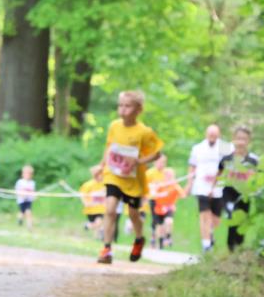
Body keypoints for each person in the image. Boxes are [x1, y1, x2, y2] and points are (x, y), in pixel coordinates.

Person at [97, 90, 163, 264]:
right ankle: (106, 249)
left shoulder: (144, 132)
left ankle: (139, 238)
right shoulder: (114, 126)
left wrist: (139, 161)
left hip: (133, 180)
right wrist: (101, 165)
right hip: (114, 175)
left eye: (127, 106)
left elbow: (157, 154)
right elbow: (109, 148)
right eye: (120, 105)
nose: (123, 110)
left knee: (134, 214)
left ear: (138, 109)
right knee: (110, 209)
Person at [187, 124, 230, 252]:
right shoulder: (198, 148)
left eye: (215, 135)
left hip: (218, 187)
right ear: (206, 134)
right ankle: (206, 244)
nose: (212, 137)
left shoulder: (226, 148)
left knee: (216, 219)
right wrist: (189, 184)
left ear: (219, 135)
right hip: (201, 186)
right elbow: (192, 166)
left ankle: (209, 233)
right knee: (204, 215)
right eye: (210, 134)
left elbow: (228, 168)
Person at [217, 126, 259, 251]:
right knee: (231, 214)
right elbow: (218, 173)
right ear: (233, 139)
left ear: (249, 141)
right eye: (238, 138)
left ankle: (239, 247)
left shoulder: (254, 160)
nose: (241, 142)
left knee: (242, 220)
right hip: (229, 192)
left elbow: (258, 177)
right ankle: (230, 247)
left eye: (244, 139)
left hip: (245, 194)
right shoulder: (226, 158)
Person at [152, 166, 185, 249]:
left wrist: (176, 187)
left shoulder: (175, 186)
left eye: (170, 175)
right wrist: (158, 190)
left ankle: (168, 237)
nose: (168, 177)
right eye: (166, 175)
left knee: (168, 221)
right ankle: (160, 244)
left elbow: (183, 195)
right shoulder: (160, 185)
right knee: (160, 227)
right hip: (159, 208)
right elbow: (152, 194)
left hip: (169, 208)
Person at [79, 166, 107, 240]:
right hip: (90, 209)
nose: (103, 176)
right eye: (101, 174)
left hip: (101, 209)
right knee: (97, 225)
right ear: (96, 175)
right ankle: (89, 226)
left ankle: (96, 236)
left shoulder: (105, 185)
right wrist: (86, 203)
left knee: (99, 223)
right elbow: (82, 196)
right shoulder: (87, 185)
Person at [15, 165, 37, 230]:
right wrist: (21, 195)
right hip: (21, 200)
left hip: (28, 201)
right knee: (22, 212)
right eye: (26, 173)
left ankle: (29, 226)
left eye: (29, 174)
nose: (28, 175)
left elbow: (33, 191)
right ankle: (20, 220)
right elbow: (17, 191)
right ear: (23, 174)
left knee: (28, 212)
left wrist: (34, 196)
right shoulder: (20, 182)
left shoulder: (32, 183)